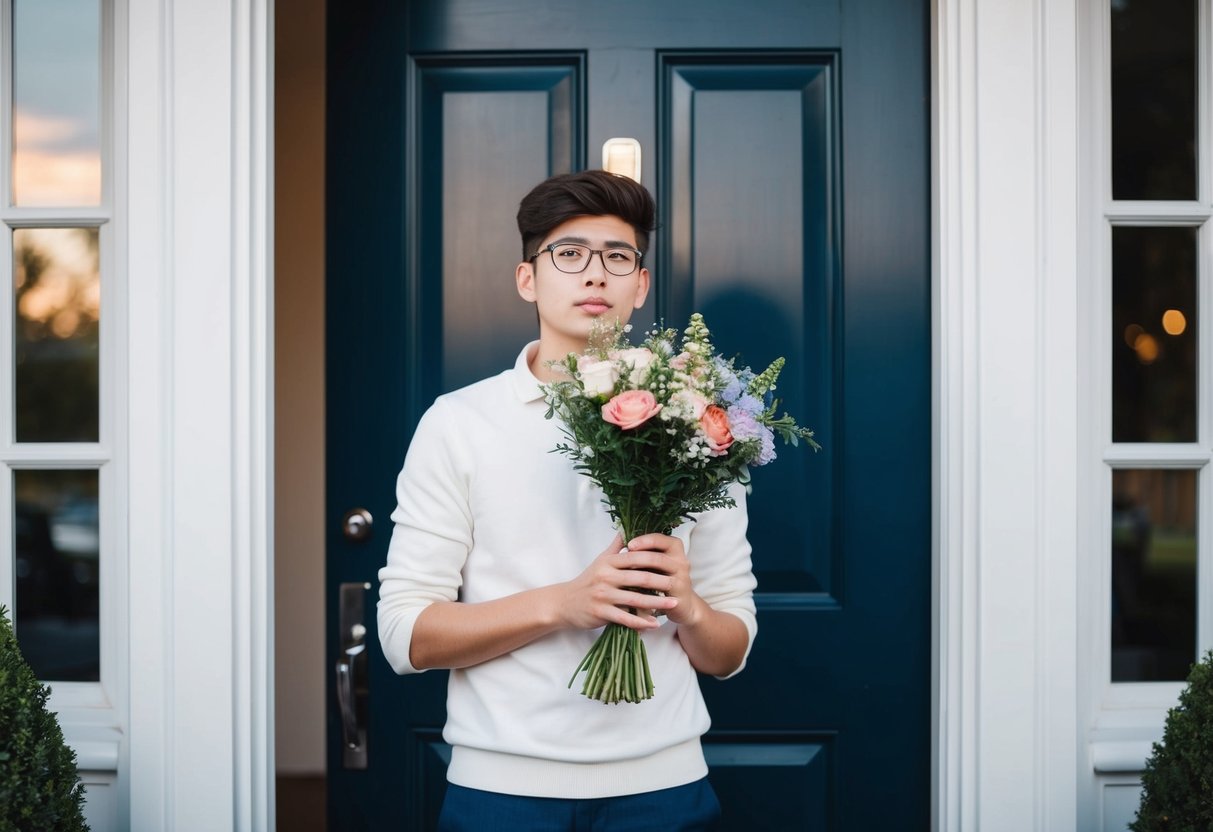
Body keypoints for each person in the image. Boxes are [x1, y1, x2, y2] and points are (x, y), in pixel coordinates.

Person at [377, 169, 757, 831]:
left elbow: (729, 651)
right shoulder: (459, 423)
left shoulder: (698, 419)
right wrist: (565, 603)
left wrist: (688, 606)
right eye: (568, 254)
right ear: (528, 278)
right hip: (501, 790)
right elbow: (405, 636)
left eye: (616, 257)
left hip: (665, 786)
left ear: (639, 285)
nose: (594, 275)